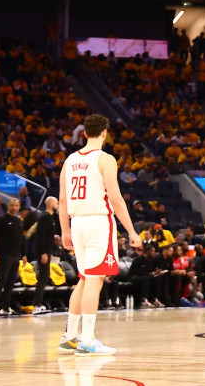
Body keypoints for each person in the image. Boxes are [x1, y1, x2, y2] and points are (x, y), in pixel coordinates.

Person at [58, 114, 142, 356]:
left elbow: (63, 200)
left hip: (76, 223)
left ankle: (70, 337)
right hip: (97, 223)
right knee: (94, 281)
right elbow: (115, 198)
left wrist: (65, 231)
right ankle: (87, 340)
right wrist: (131, 231)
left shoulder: (70, 160)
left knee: (84, 280)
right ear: (104, 133)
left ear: (84, 133)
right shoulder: (105, 159)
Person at [0, 198, 25, 316]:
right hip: (4, 255)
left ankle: (5, 307)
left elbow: (22, 239)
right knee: (1, 281)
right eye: (12, 205)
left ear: (19, 207)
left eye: (16, 205)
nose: (14, 207)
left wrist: (24, 254)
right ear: (8, 206)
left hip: (16, 256)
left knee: (10, 282)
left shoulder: (19, 221)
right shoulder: (1, 220)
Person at [31, 197, 62, 314]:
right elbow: (40, 236)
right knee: (44, 276)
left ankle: (38, 303)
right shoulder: (44, 217)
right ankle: (36, 304)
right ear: (50, 203)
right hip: (42, 251)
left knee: (45, 276)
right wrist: (44, 252)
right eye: (56, 203)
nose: (57, 205)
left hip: (48, 250)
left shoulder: (52, 217)